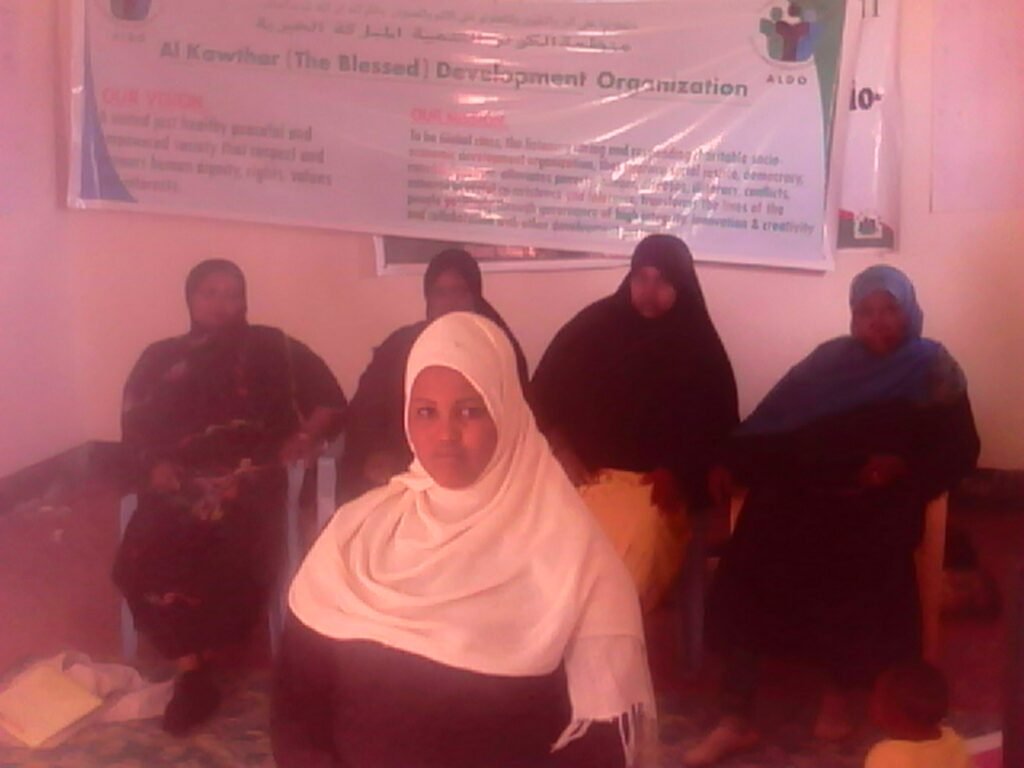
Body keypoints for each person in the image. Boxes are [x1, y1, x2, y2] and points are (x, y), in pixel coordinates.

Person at [272, 312, 656, 768]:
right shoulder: (354, 534)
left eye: (470, 411)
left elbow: (603, 738)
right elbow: (296, 704)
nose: (446, 434)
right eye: (426, 412)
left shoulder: (574, 554)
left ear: (506, 413)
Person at [686, 265, 980, 765]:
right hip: (807, 488)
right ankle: (736, 716)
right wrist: (730, 459)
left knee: (856, 554)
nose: (878, 321)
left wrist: (904, 466)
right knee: (754, 543)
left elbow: (960, 449)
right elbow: (773, 420)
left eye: (889, 310)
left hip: (879, 499)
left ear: (909, 310)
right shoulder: (829, 361)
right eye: (865, 312)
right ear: (852, 317)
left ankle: (839, 693)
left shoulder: (934, 369)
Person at [112, 259, 346, 734]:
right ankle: (193, 673)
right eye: (209, 293)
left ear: (245, 301)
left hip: (248, 478)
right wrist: (153, 466)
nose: (222, 305)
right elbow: (134, 429)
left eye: (232, 294)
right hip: (178, 482)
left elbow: (330, 399)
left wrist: (304, 436)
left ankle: (205, 660)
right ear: (190, 298)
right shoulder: (159, 358)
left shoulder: (273, 347)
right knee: (147, 547)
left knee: (226, 540)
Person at [530, 234, 737, 510]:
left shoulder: (699, 345)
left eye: (662, 281)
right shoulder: (593, 327)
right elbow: (540, 397)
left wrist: (677, 471)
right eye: (641, 278)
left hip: (660, 494)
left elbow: (714, 430)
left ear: (682, 286)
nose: (649, 292)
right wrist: (561, 451)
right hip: (582, 479)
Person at [338, 248, 528, 502]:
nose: (450, 302)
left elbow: (515, 424)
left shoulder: (495, 348)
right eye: (440, 293)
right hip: (402, 467)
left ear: (475, 296)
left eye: (459, 291)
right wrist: (375, 454)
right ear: (428, 299)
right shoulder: (399, 347)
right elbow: (363, 413)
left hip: (479, 470)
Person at [864, 660, 971, 768]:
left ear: (895, 715)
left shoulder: (885, 755)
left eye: (877, 697)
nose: (870, 702)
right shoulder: (954, 741)